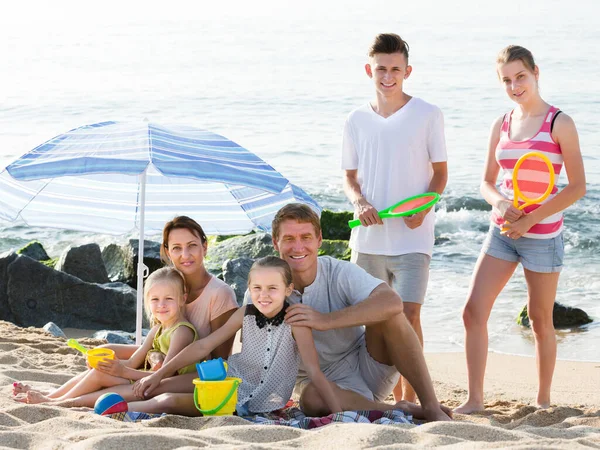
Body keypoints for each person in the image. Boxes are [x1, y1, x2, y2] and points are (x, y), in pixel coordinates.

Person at [455, 45, 586, 414]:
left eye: (520, 77)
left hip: (542, 237)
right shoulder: (501, 124)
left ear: (535, 72)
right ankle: (475, 400)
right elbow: (486, 182)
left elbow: (577, 186)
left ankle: (543, 401)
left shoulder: (560, 123)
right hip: (502, 233)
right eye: (507, 80)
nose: (515, 86)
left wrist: (530, 219)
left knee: (541, 320)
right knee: (472, 311)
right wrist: (498, 203)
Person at [13, 216, 238, 406]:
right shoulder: (167, 290)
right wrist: (116, 351)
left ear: (205, 247)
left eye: (192, 246)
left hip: (196, 375)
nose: (185, 254)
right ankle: (52, 396)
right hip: (163, 368)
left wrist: (144, 369)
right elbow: (154, 345)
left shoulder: (220, 294)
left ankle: (62, 403)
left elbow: (219, 360)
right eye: (177, 248)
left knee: (128, 381)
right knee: (103, 370)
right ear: (167, 251)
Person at [263, 203, 451, 421]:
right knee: (311, 398)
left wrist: (325, 320)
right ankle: (397, 410)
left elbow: (392, 301)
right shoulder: (265, 289)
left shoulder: (338, 271)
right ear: (275, 243)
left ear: (319, 239)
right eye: (289, 239)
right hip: (322, 386)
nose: (298, 247)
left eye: (306, 237)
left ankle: (430, 406)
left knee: (390, 314)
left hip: (368, 365)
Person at [342, 33, 448, 403]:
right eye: (381, 69)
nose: (388, 76)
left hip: (413, 239)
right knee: (372, 321)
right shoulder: (355, 118)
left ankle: (415, 396)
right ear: (369, 70)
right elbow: (350, 177)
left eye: (396, 70)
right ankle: (393, 393)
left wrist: (426, 206)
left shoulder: (428, 114)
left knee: (409, 315)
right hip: (369, 240)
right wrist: (359, 204)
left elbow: (440, 174)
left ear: (408, 71)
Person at [129, 256, 342, 416]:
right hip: (226, 378)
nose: (264, 295)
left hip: (246, 401)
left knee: (167, 400)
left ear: (288, 289)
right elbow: (204, 346)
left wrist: (339, 415)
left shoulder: (296, 322)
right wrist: (159, 374)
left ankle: (117, 411)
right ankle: (99, 401)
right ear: (249, 287)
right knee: (160, 384)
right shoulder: (245, 312)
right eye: (257, 287)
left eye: (272, 288)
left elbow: (314, 371)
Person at [14, 267, 197, 404]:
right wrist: (110, 366)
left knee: (99, 376)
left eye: (169, 299)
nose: (161, 305)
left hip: (161, 383)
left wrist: (123, 371)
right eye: (155, 299)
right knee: (98, 371)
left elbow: (165, 374)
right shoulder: (157, 329)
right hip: (144, 377)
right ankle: (52, 396)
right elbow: (134, 361)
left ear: (182, 298)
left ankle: (56, 402)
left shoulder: (181, 331)